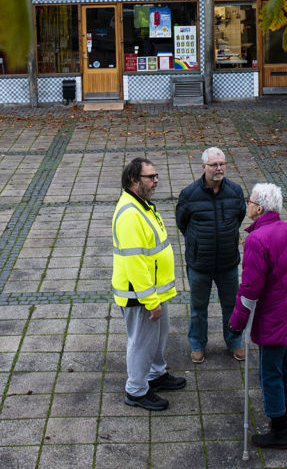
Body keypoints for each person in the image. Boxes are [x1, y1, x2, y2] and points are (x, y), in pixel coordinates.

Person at [228, 183, 287, 449]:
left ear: (259, 208)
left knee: (270, 375)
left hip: (273, 319)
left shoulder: (257, 239)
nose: (247, 204)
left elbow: (250, 289)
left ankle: (279, 432)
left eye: (249, 201)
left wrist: (237, 322)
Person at [112, 157, 186, 411]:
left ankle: (156, 374)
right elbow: (135, 264)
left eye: (156, 176)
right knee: (142, 342)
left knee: (157, 336)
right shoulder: (130, 215)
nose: (156, 181)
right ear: (134, 180)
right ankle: (136, 390)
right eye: (150, 177)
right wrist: (151, 301)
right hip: (141, 296)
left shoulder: (143, 205)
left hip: (154, 292)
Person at [176, 147, 247, 364]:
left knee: (231, 306)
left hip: (227, 262)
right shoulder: (189, 194)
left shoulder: (235, 191)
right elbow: (182, 223)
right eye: (214, 165)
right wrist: (198, 242)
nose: (219, 168)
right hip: (200, 263)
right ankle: (198, 344)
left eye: (222, 164)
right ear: (204, 167)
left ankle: (234, 342)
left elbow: (240, 217)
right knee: (198, 308)